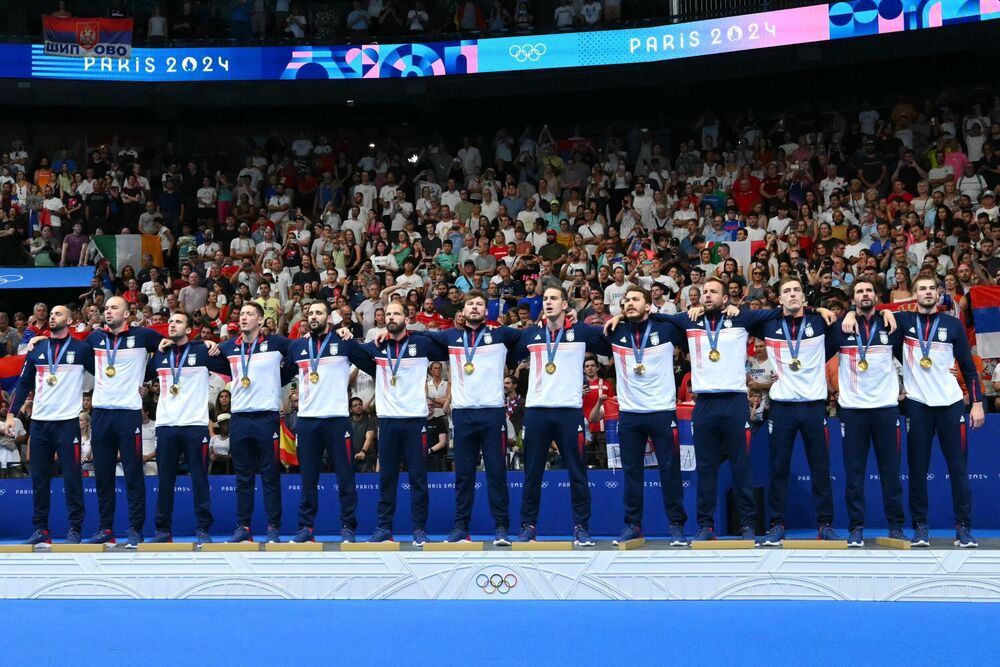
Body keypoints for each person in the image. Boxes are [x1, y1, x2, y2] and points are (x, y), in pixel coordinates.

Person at [402, 289, 521, 546]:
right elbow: (421, 336)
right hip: (463, 415)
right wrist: (396, 332)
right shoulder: (451, 337)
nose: (475, 308)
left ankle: (501, 527)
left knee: (497, 474)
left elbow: (529, 336)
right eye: (471, 304)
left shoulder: (501, 334)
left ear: (486, 311)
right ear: (463, 311)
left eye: (480, 304)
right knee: (463, 475)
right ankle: (460, 527)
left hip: (492, 414)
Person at [889, 274, 984, 547]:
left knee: (958, 470)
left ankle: (963, 528)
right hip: (918, 406)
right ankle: (920, 527)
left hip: (951, 405)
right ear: (914, 295)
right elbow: (875, 322)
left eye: (932, 288)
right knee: (917, 471)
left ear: (940, 294)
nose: (928, 292)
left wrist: (976, 403)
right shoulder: (903, 322)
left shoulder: (953, 325)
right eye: (922, 289)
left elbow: (967, 366)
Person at [514, 286, 610, 546]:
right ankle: (528, 526)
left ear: (566, 305)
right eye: (545, 299)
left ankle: (581, 527)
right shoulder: (531, 334)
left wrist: (616, 318)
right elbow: (509, 349)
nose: (548, 302)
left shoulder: (580, 332)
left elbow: (610, 339)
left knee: (577, 472)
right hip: (536, 411)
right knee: (532, 473)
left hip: (569, 411)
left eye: (554, 298)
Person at [750, 277, 839, 546]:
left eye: (796, 291)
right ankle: (776, 524)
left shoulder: (819, 323)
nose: (792, 295)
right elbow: (746, 316)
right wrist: (810, 308)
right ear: (779, 299)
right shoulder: (768, 324)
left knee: (820, 469)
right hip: (782, 408)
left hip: (814, 407)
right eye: (786, 292)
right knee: (778, 469)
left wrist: (816, 311)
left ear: (804, 295)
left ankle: (825, 524)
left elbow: (847, 320)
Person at [355, 301, 447, 546]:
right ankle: (384, 527)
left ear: (407, 317)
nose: (392, 317)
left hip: (415, 421)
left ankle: (418, 529)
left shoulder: (421, 343)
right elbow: (351, 350)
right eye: (388, 314)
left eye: (397, 313)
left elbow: (445, 342)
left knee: (418, 478)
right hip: (387, 422)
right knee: (387, 478)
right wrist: (344, 334)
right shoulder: (376, 347)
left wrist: (413, 331)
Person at [603, 286, 689, 546]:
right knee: (631, 472)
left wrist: (658, 315)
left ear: (649, 306)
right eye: (626, 300)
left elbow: (684, 322)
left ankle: (676, 525)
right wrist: (614, 318)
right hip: (629, 414)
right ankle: (633, 524)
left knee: (669, 470)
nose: (629, 303)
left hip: (662, 411)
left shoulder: (666, 329)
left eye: (636, 300)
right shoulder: (615, 332)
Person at [5, 306, 94, 547]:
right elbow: (23, 384)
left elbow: (105, 376)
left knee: (72, 478)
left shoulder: (81, 349)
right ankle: (41, 529)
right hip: (40, 425)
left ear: (69, 319)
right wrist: (12, 415)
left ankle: (75, 527)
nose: (53, 316)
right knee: (39, 479)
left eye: (58, 314)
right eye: (51, 314)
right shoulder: (37, 348)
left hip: (67, 424)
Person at [283, 302, 368, 543]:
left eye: (318, 313)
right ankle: (306, 527)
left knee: (345, 476)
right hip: (307, 422)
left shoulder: (344, 342)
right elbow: (282, 375)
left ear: (329, 319)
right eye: (309, 313)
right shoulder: (297, 346)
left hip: (337, 420)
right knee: (308, 478)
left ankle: (348, 526)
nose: (313, 316)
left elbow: (370, 362)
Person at [830, 280, 905, 547]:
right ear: (853, 297)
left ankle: (896, 526)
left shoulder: (890, 325)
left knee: (890, 471)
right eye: (860, 291)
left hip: (885, 408)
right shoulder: (841, 328)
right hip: (853, 411)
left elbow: (920, 313)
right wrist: (846, 314)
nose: (865, 294)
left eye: (869, 290)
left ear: (876, 295)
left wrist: (888, 311)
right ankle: (856, 528)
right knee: (854, 473)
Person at [84, 297, 163, 548]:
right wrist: (39, 339)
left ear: (127, 314)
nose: (108, 311)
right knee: (103, 475)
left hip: (129, 414)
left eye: (114, 307)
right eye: (106, 308)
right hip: (100, 413)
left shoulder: (142, 336)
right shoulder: (94, 338)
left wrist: (145, 377)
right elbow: (75, 357)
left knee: (132, 473)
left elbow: (169, 348)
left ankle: (135, 529)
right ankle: (105, 528)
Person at [147, 312, 230, 546]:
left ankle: (203, 528)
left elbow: (231, 362)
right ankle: (163, 530)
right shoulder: (161, 354)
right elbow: (142, 375)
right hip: (165, 426)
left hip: (194, 426)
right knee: (165, 480)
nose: (172, 325)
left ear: (190, 328)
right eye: (171, 322)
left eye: (178, 322)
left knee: (200, 478)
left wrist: (217, 345)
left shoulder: (202, 351)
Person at [218, 302, 291, 543]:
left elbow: (301, 349)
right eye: (241, 314)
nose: (244, 317)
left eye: (250, 314)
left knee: (270, 475)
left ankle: (273, 526)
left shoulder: (277, 344)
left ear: (260, 320)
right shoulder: (229, 346)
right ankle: (243, 527)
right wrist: (207, 343)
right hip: (239, 418)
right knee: (243, 477)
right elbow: (203, 352)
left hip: (266, 418)